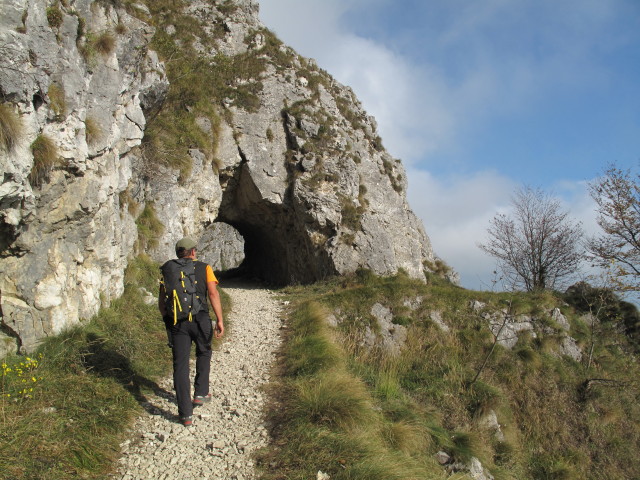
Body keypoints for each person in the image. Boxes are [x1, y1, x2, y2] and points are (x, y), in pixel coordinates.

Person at [158, 237, 224, 427]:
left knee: (180, 365)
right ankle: (201, 393)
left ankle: (185, 414)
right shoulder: (204, 268)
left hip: (178, 323)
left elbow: (162, 304)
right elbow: (213, 293)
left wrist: (168, 321)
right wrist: (219, 319)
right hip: (201, 319)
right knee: (204, 351)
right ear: (193, 252)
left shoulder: (168, 270)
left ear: (178, 252)